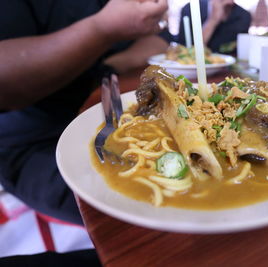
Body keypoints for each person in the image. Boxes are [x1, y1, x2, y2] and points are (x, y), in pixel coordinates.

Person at [0, 0, 168, 227]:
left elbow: (156, 40)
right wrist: (102, 29)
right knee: (142, 218)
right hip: (36, 143)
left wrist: (111, 65)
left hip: (119, 111)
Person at [175, 0, 251, 54]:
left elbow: (238, 50)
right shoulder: (191, 9)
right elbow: (188, 50)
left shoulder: (244, 16)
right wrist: (213, 20)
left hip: (228, 70)